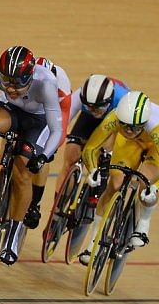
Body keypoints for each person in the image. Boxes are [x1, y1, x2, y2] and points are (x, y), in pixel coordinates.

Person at [0, 46, 64, 265]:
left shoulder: (46, 83)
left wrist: (43, 156)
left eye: (18, 83)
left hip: (37, 122)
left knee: (23, 172)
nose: (11, 88)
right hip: (10, 111)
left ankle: (13, 236)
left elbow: (56, 129)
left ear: (30, 77)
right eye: (7, 82)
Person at [78, 91, 159, 265]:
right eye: (124, 125)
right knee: (114, 185)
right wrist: (93, 169)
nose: (128, 130)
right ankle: (92, 244)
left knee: (145, 183)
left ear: (145, 123)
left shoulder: (157, 128)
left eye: (134, 127)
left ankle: (144, 223)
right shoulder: (114, 119)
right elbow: (91, 148)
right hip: (130, 144)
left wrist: (156, 187)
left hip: (158, 146)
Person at [29, 75, 131, 230]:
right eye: (90, 106)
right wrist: (52, 146)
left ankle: (97, 189)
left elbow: (123, 135)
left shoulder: (122, 100)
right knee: (71, 156)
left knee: (105, 150)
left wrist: (106, 152)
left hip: (116, 120)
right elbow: (62, 124)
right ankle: (59, 205)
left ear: (108, 101)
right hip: (88, 119)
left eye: (97, 107)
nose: (94, 110)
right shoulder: (79, 98)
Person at [21, 57, 72, 229]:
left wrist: (45, 153)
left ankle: (34, 203)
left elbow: (60, 128)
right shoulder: (29, 74)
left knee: (46, 152)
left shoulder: (61, 88)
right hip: (31, 102)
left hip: (52, 111)